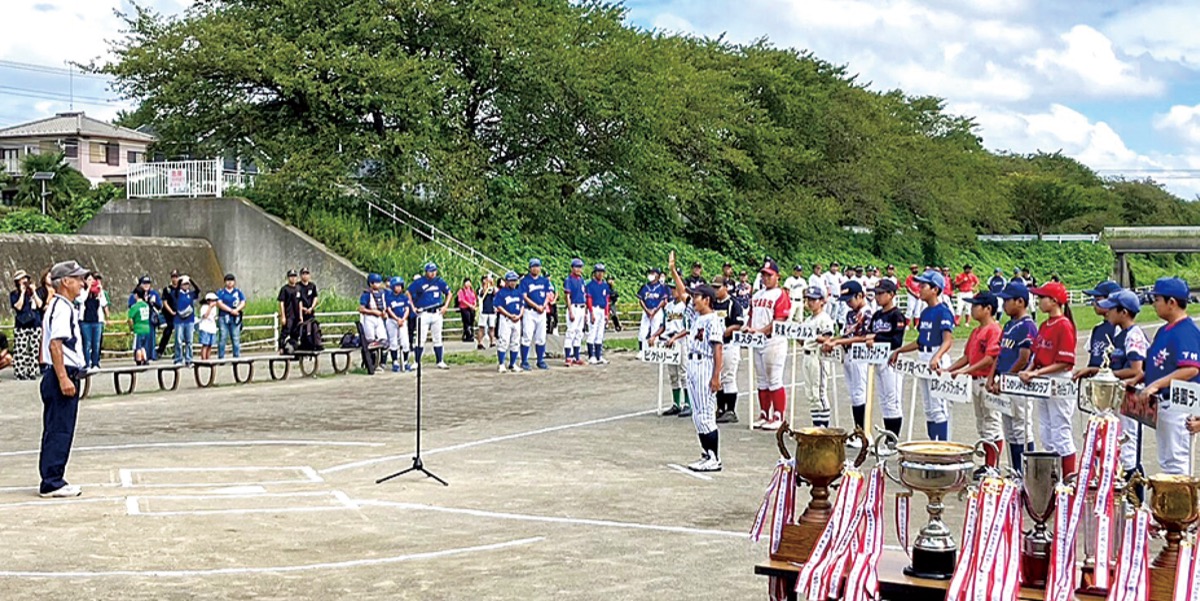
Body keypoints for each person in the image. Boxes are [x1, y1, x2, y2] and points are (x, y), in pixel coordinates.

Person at [1130, 278, 1199, 475]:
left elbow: (1190, 369)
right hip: (1164, 404)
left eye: (1157, 299)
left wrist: (1154, 385)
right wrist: (1142, 378)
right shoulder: (1164, 330)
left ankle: (1180, 505)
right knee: (1167, 461)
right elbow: (1161, 366)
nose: (1154, 304)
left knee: (1176, 464)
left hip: (1178, 404)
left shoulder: (1186, 331)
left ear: (1172, 302)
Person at [38, 260, 89, 498]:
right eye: (77, 278)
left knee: (57, 427)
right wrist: (63, 379)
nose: (82, 283)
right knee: (60, 428)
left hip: (62, 371)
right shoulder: (62, 307)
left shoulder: (61, 306)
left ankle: (52, 475)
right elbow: (55, 344)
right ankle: (52, 480)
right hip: (62, 372)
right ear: (65, 282)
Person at [664, 277, 725, 472]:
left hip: (704, 363)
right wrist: (673, 271)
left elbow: (718, 349)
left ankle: (714, 457)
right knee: (698, 415)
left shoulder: (713, 320)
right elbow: (683, 294)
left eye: (697, 296)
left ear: (707, 299)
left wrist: (716, 376)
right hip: (692, 363)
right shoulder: (697, 317)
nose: (694, 299)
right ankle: (706, 453)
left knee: (706, 414)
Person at [1019, 281, 1078, 476]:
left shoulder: (1064, 325)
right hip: (1043, 378)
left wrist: (1036, 373)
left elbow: (1064, 361)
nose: (1038, 301)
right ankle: (1053, 476)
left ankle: (1068, 479)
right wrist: (1030, 369)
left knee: (1060, 428)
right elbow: (1037, 354)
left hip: (1058, 378)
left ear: (1054, 301)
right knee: (1045, 429)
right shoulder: (1045, 324)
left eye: (1042, 297)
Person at [890, 270, 954, 441]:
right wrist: (899, 350)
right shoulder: (925, 312)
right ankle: (933, 443)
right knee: (928, 407)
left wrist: (937, 357)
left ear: (935, 289)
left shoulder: (943, 311)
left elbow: (947, 340)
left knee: (938, 406)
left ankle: (942, 446)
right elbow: (920, 341)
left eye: (924, 286)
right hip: (924, 355)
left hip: (936, 355)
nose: (919, 288)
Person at [947, 291, 1004, 469]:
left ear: (988, 309)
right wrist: (949, 370)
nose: (971, 309)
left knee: (992, 422)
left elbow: (990, 358)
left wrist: (965, 371)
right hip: (976, 380)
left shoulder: (993, 330)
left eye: (975, 306)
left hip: (987, 380)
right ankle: (988, 463)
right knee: (982, 423)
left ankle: (992, 465)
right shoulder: (976, 331)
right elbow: (967, 356)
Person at [1097, 289, 1148, 475]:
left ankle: (1134, 496)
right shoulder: (1120, 335)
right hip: (1120, 393)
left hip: (1131, 395)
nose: (1107, 312)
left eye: (1111, 309)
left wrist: (1108, 374)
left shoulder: (1133, 335)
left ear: (1123, 312)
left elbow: (1136, 369)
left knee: (1129, 446)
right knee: (1118, 443)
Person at [989, 280, 1037, 472]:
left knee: (1021, 428)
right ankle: (1014, 469)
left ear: (1020, 301)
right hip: (1006, 381)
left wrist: (1005, 378)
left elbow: (1024, 358)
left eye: (1008, 300)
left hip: (1018, 383)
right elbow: (1000, 353)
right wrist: (992, 377)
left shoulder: (1027, 325)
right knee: (1009, 429)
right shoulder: (1009, 324)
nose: (1004, 304)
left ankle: (1026, 472)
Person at [746, 258, 792, 430]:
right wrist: (748, 328)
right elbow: (751, 316)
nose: (766, 278)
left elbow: (779, 320)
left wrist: (760, 331)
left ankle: (779, 416)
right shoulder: (757, 295)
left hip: (774, 340)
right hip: (757, 341)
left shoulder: (781, 294)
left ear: (777, 276)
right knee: (761, 380)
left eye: (769, 275)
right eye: (763, 275)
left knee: (774, 378)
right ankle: (765, 413)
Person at [823, 280, 873, 434]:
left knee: (859, 394)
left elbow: (863, 337)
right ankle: (858, 430)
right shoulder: (850, 314)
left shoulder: (867, 312)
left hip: (861, 354)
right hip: (848, 354)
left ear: (860, 295)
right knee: (853, 394)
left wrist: (837, 341)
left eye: (850, 300)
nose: (848, 304)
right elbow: (847, 334)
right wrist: (834, 341)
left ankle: (863, 432)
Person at [867, 279, 905, 436]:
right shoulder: (876, 315)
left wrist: (876, 338)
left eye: (881, 293)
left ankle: (892, 440)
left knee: (892, 400)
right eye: (876, 293)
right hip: (878, 359)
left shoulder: (897, 315)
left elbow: (896, 341)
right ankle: (888, 438)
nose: (877, 297)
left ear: (891, 294)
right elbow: (869, 334)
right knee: (883, 400)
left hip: (891, 359)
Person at [651, 272, 691, 417]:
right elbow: (664, 325)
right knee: (672, 373)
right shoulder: (668, 307)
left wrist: (675, 337)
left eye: (676, 288)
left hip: (681, 340)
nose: (673, 291)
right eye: (672, 288)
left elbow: (688, 328)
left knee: (683, 372)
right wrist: (654, 335)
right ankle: (676, 403)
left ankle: (688, 403)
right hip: (669, 341)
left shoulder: (686, 306)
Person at [1073, 280, 1123, 382]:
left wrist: (1093, 370)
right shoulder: (1097, 329)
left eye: (1098, 299)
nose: (1094, 303)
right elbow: (1093, 359)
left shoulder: (1119, 329)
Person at [711, 275, 744, 424]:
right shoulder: (712, 303)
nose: (715, 290)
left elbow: (738, 324)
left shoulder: (733, 304)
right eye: (714, 287)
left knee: (728, 377)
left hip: (729, 345)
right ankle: (721, 408)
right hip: (716, 345)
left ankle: (731, 410)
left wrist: (725, 331)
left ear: (726, 287)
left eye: (718, 287)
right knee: (717, 376)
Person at [408, 263, 452, 369]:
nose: (432, 273)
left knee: (437, 337)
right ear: (426, 272)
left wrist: (445, 306)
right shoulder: (419, 282)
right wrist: (413, 307)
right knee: (420, 338)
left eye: (434, 271)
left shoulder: (439, 282)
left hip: (436, 312)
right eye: (430, 271)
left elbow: (449, 293)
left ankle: (440, 360)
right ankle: (417, 361)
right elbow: (408, 292)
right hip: (424, 312)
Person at [519, 258, 553, 371]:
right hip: (530, 311)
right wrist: (536, 306)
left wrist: (544, 305)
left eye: (538, 266)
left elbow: (548, 294)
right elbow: (524, 296)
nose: (536, 269)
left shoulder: (544, 281)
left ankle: (540, 360)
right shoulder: (525, 281)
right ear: (530, 268)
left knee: (541, 337)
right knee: (527, 336)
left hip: (541, 311)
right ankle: (524, 361)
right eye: (534, 266)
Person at [9, 270, 44, 380]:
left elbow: (40, 304)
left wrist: (33, 292)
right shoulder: (14, 294)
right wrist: (22, 293)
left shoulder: (34, 292)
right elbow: (18, 307)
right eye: (21, 279)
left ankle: (32, 371)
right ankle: (20, 371)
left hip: (35, 323)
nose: (24, 281)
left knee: (34, 349)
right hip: (21, 324)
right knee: (21, 348)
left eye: (26, 279)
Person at [494, 271, 524, 373]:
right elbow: (499, 306)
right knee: (504, 341)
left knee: (515, 341)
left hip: (517, 319)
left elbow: (522, 305)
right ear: (506, 281)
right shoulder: (501, 292)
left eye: (515, 280)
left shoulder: (518, 292)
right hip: (506, 319)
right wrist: (509, 315)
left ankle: (512, 363)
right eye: (511, 280)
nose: (513, 283)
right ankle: (501, 363)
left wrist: (519, 315)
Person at [78, 273, 109, 369]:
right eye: (89, 280)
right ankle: (86, 363)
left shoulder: (99, 292)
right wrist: (88, 289)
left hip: (97, 321)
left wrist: (100, 292)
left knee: (96, 343)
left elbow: (104, 303)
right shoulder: (82, 291)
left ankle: (95, 363)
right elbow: (81, 300)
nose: (91, 282)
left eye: (93, 280)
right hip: (85, 321)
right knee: (87, 343)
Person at [384, 276, 414, 372]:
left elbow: (407, 309)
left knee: (405, 342)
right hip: (392, 321)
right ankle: (395, 362)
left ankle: (405, 361)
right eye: (396, 286)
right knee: (393, 342)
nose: (398, 288)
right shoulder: (389, 297)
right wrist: (397, 319)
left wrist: (403, 319)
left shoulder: (404, 297)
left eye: (400, 286)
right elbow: (389, 309)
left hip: (403, 320)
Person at [561, 259, 587, 366]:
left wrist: (585, 312)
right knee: (571, 331)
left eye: (580, 267)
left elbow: (584, 295)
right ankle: (568, 356)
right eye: (576, 267)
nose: (578, 269)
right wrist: (570, 310)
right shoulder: (569, 280)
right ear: (572, 268)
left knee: (579, 332)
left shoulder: (581, 280)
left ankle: (576, 356)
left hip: (581, 306)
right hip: (574, 306)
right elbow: (567, 296)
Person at [637, 267, 669, 351]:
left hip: (657, 311)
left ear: (658, 276)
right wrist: (647, 310)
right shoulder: (645, 286)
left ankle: (654, 349)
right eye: (650, 273)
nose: (651, 275)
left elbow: (663, 300)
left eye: (653, 273)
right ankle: (641, 350)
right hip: (646, 310)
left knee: (655, 330)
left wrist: (655, 310)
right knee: (643, 330)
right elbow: (640, 300)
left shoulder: (662, 287)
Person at [215, 274, 246, 359]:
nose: (229, 282)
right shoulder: (221, 292)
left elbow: (243, 302)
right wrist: (230, 310)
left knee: (236, 338)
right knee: (223, 337)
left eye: (231, 280)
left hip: (235, 317)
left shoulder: (238, 292)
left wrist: (237, 310)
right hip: (223, 316)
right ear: (225, 282)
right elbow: (219, 303)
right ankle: (221, 357)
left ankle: (236, 357)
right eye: (228, 280)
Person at [585, 264, 611, 365]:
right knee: (592, 332)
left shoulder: (605, 286)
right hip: (594, 309)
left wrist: (606, 314)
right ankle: (591, 355)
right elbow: (589, 299)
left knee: (600, 333)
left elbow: (607, 299)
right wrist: (591, 312)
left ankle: (599, 355)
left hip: (602, 309)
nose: (600, 274)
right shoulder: (590, 285)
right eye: (598, 272)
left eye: (602, 272)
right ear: (594, 273)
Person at [358, 273, 389, 349]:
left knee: (383, 340)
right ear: (371, 283)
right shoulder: (366, 294)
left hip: (380, 318)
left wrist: (385, 312)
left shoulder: (383, 293)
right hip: (369, 318)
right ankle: (370, 359)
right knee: (370, 340)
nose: (379, 284)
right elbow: (361, 309)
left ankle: (382, 359)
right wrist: (373, 312)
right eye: (376, 282)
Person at [173, 276, 197, 365]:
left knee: (189, 341)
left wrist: (191, 280)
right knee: (178, 341)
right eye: (184, 284)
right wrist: (180, 281)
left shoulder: (191, 294)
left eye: (187, 284)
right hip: (179, 320)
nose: (186, 286)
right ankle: (178, 359)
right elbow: (175, 291)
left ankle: (189, 359)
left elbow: (198, 290)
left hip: (189, 320)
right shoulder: (177, 294)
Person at [157, 270, 182, 359]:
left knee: (179, 334)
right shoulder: (167, 289)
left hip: (180, 314)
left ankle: (178, 352)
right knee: (167, 332)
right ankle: (160, 351)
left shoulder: (181, 289)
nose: (175, 279)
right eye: (173, 277)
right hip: (169, 314)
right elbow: (164, 302)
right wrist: (171, 311)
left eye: (176, 277)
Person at [278, 269, 304, 352]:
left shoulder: (298, 288)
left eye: (294, 276)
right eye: (291, 276)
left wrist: (300, 316)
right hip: (288, 315)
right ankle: (281, 347)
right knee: (285, 332)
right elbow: (281, 303)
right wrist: (283, 316)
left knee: (295, 333)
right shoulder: (284, 289)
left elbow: (300, 302)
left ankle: (293, 348)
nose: (293, 278)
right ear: (288, 278)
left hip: (296, 315)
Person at [128, 288, 154, 365]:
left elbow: (130, 319)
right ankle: (145, 359)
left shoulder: (135, 306)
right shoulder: (146, 305)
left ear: (136, 295)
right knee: (143, 346)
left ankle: (139, 361)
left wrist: (131, 327)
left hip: (138, 328)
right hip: (146, 328)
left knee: (138, 347)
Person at [197, 292, 219, 361]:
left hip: (212, 328)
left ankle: (208, 357)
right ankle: (203, 358)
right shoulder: (204, 307)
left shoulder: (215, 308)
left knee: (210, 344)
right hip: (205, 327)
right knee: (205, 344)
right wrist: (210, 307)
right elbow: (205, 316)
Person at [477, 274, 497, 350]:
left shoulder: (492, 289)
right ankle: (480, 343)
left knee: (492, 327)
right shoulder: (480, 289)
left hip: (492, 311)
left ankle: (492, 341)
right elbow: (483, 293)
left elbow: (495, 293)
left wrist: (492, 284)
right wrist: (485, 284)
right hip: (483, 311)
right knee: (481, 327)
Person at [458, 278, 477, 343]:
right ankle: (467, 335)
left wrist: (474, 304)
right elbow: (462, 300)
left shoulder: (471, 290)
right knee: (467, 321)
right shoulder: (461, 291)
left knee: (471, 321)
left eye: (469, 282)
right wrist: (469, 305)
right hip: (464, 308)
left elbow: (474, 298)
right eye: (466, 282)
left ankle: (471, 335)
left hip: (471, 308)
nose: (468, 284)